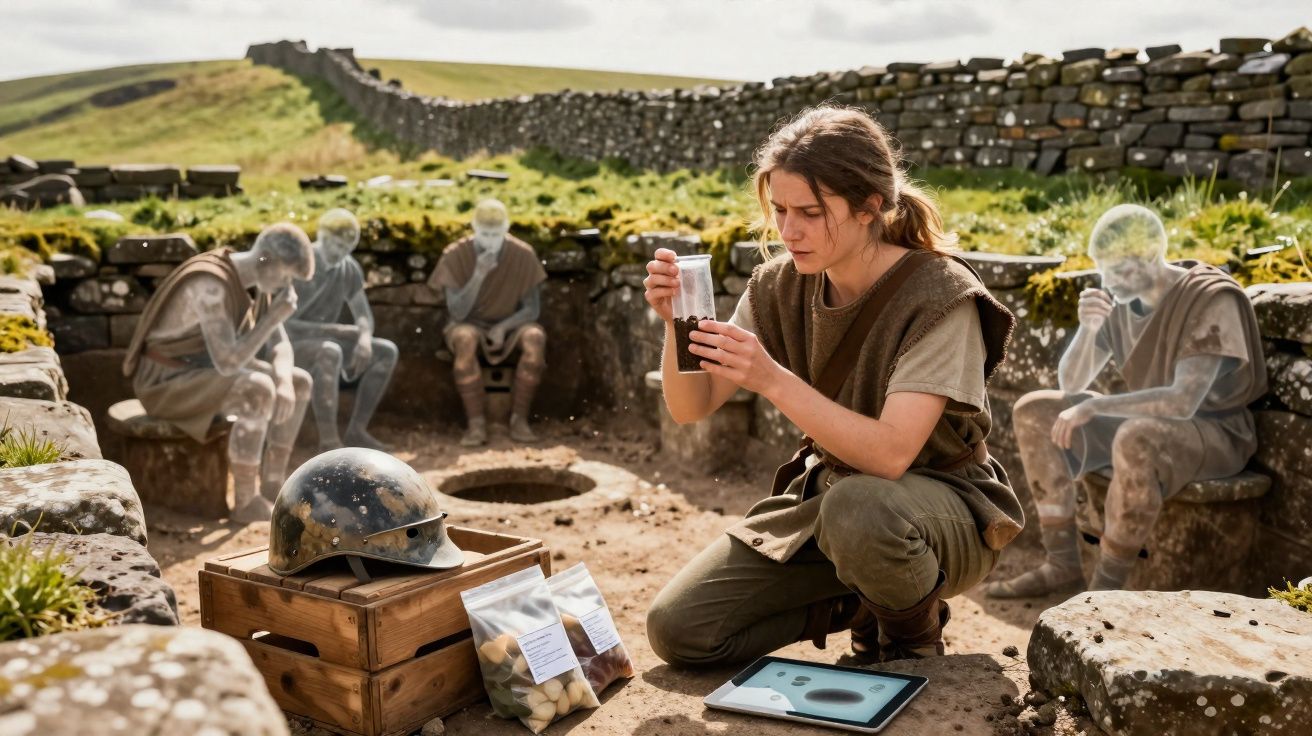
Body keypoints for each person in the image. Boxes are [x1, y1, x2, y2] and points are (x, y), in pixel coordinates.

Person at [644, 106, 1021, 667]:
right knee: (678, 630)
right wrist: (676, 325)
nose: (788, 230)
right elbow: (692, 406)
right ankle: (863, 605)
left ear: (870, 207)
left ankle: (911, 632)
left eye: (810, 213)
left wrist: (771, 379)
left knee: (860, 507)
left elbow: (892, 455)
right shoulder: (778, 284)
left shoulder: (941, 296)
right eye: (779, 210)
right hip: (832, 505)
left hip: (942, 513)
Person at [985, 204, 1267, 596]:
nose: (1109, 281)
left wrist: (1097, 406)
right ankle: (1061, 564)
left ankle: (1103, 594)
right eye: (1104, 269)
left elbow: (1183, 402)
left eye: (1118, 270)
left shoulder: (1210, 297)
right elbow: (1072, 381)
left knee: (1135, 437)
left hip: (1217, 433)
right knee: (1035, 411)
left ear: (1151, 256)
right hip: (1153, 425)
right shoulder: (1121, 302)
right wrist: (1087, 330)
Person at [123, 223, 315, 523]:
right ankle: (246, 501)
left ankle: (274, 484)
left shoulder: (260, 283)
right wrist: (274, 318)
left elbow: (281, 346)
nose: (287, 286)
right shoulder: (210, 285)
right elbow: (228, 362)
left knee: (299, 381)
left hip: (206, 373)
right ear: (265, 259)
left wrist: (285, 382)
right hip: (166, 382)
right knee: (259, 388)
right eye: (286, 275)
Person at [428, 199, 548, 446]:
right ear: (474, 228)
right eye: (485, 234)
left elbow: (532, 309)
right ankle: (476, 425)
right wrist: (479, 275)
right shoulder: (455, 255)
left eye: (496, 234)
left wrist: (504, 327)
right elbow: (457, 312)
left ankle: (519, 420)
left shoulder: (522, 254)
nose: (490, 240)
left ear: (506, 229)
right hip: (468, 323)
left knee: (535, 338)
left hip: (512, 324)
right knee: (464, 339)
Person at [285, 208, 397, 452]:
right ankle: (329, 441)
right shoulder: (298, 265)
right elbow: (283, 325)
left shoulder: (349, 267)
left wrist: (365, 339)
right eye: (335, 245)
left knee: (386, 351)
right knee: (330, 351)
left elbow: (363, 314)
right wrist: (337, 330)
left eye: (346, 248)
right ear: (322, 237)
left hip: (325, 341)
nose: (339, 253)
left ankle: (357, 430)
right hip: (288, 346)